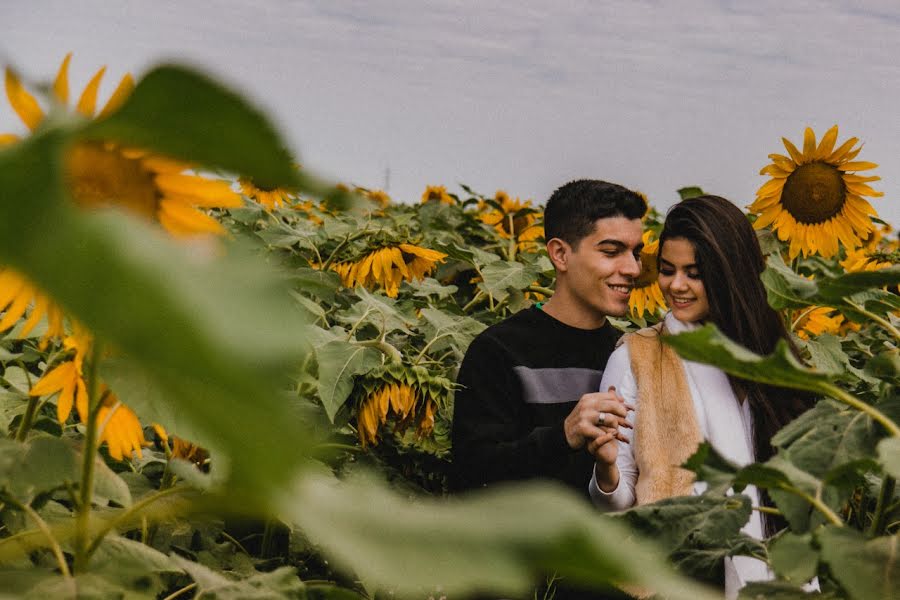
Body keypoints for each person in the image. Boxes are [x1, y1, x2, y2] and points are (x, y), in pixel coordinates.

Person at [588, 195, 814, 598]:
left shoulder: (770, 362)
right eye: (669, 270)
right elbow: (618, 505)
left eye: (694, 273)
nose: (676, 286)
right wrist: (605, 471)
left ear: (730, 275)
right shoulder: (637, 357)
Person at [451, 179, 645, 496]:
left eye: (636, 253)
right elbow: (472, 477)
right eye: (611, 252)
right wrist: (562, 436)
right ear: (560, 254)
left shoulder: (629, 354)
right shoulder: (499, 351)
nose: (633, 268)